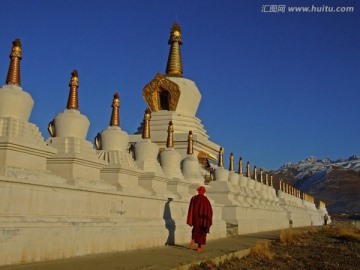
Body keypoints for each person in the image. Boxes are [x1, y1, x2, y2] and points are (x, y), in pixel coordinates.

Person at [186, 186, 213, 252]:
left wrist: (191, 218)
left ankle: (193, 239)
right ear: (204, 191)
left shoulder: (194, 198)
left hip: (196, 218)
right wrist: (208, 219)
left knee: (195, 229)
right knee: (201, 232)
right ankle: (199, 247)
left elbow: (191, 208)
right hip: (202, 219)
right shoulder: (206, 200)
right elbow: (209, 211)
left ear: (198, 191)